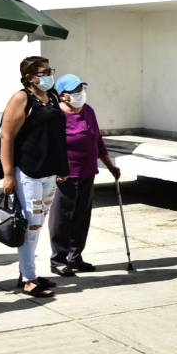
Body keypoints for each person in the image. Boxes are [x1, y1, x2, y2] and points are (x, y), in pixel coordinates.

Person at [0, 56, 69, 298]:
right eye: (44, 72)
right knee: (31, 225)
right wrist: (8, 174)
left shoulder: (50, 97)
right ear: (29, 77)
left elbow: (56, 135)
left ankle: (27, 272)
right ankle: (29, 279)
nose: (49, 75)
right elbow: (6, 136)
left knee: (37, 226)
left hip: (49, 172)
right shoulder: (22, 98)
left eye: (50, 70)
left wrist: (62, 167)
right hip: (28, 171)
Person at [48, 74, 121, 277]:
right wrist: (55, 170)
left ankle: (75, 256)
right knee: (62, 217)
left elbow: (97, 140)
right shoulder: (55, 115)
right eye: (75, 91)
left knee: (82, 216)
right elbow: (50, 146)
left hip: (88, 171)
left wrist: (110, 165)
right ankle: (58, 259)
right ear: (63, 95)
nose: (81, 94)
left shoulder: (88, 111)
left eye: (82, 89)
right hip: (65, 174)